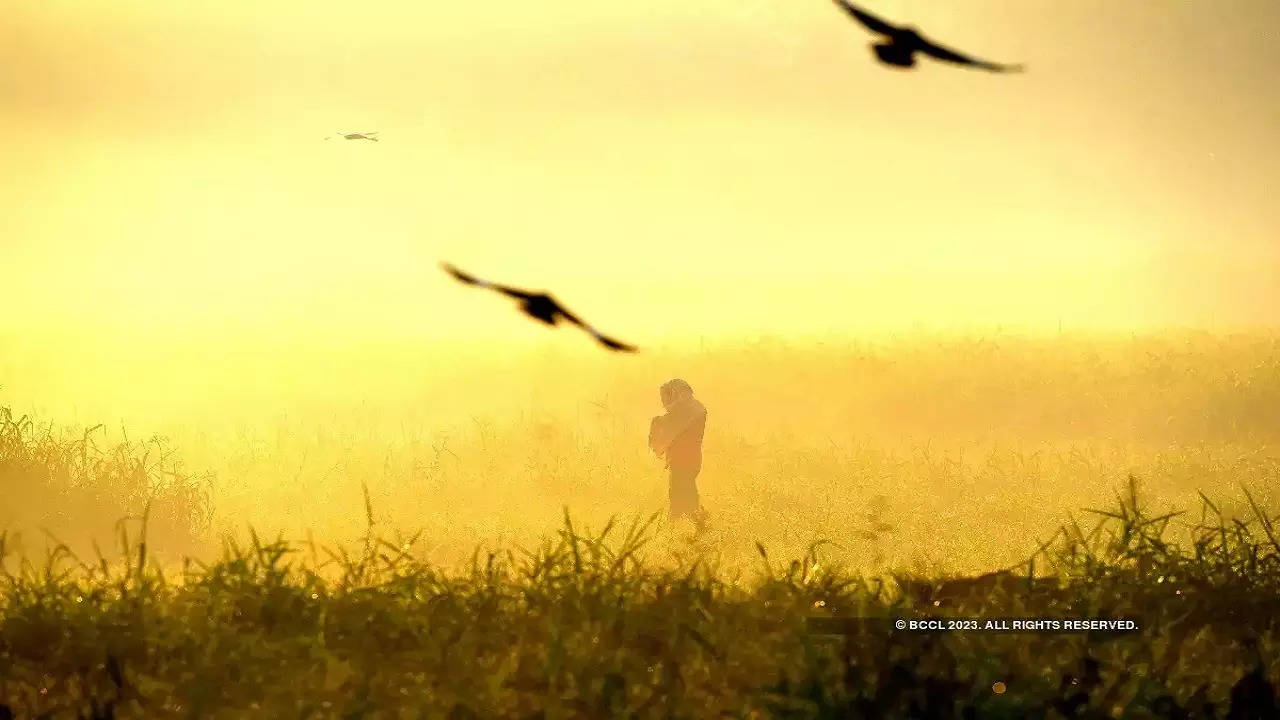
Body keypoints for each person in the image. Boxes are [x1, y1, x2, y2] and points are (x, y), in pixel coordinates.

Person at [648, 378, 708, 528]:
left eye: (667, 397)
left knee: (680, 497)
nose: (665, 403)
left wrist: (657, 426)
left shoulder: (690, 411)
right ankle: (692, 527)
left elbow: (668, 422)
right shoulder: (693, 409)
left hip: (684, 460)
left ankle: (683, 527)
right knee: (684, 494)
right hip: (685, 460)